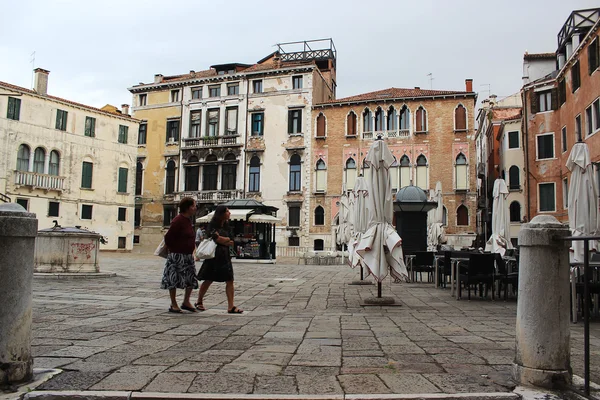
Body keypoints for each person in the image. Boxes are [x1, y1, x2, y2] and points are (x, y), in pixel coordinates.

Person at [195, 205, 243, 314]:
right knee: (208, 279)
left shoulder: (227, 226)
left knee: (230, 280)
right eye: (227, 211)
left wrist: (223, 240)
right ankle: (199, 301)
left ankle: (231, 306)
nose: (229, 213)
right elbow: (215, 238)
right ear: (221, 213)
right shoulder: (212, 226)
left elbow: (231, 241)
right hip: (214, 256)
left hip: (225, 256)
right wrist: (224, 240)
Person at [161, 197, 198, 313]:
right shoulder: (178, 220)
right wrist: (174, 249)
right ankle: (173, 303)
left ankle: (186, 301)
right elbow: (168, 237)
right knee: (173, 279)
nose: (195, 208)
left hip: (187, 255)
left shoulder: (187, 220)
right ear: (188, 207)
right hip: (177, 255)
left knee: (191, 279)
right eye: (193, 205)